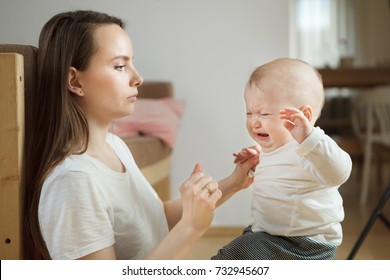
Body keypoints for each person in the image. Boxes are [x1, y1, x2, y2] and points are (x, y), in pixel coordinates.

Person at [24, 10, 260, 260]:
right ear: (75, 81)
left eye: (132, 63)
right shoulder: (72, 181)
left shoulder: (114, 145)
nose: (138, 78)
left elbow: (157, 220)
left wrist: (233, 183)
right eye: (119, 66)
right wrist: (192, 227)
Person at [211, 58, 353, 260]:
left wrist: (311, 139)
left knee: (232, 256)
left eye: (264, 113)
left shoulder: (312, 149)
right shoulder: (275, 148)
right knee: (246, 244)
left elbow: (340, 172)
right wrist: (258, 160)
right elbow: (284, 168)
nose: (254, 122)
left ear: (302, 115)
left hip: (304, 243)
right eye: (249, 112)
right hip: (272, 235)